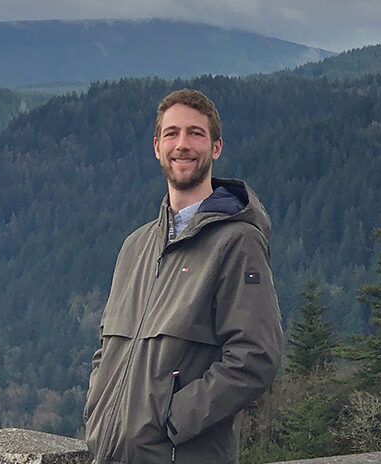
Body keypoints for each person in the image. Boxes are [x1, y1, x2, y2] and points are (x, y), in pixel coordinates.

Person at [84, 89, 283, 464]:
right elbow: (106, 351)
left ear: (216, 147)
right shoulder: (135, 246)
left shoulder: (238, 242)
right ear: (157, 147)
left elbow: (256, 356)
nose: (183, 145)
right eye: (172, 134)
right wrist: (98, 410)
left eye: (196, 133)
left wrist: (172, 418)